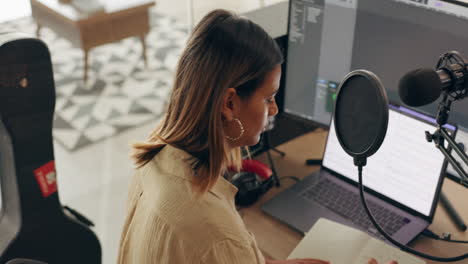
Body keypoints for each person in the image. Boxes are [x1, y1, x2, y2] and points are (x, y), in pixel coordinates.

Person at [117, 9, 397, 264]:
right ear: (229, 104)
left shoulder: (158, 157)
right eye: (268, 98)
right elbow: (217, 245)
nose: (274, 108)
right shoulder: (214, 230)